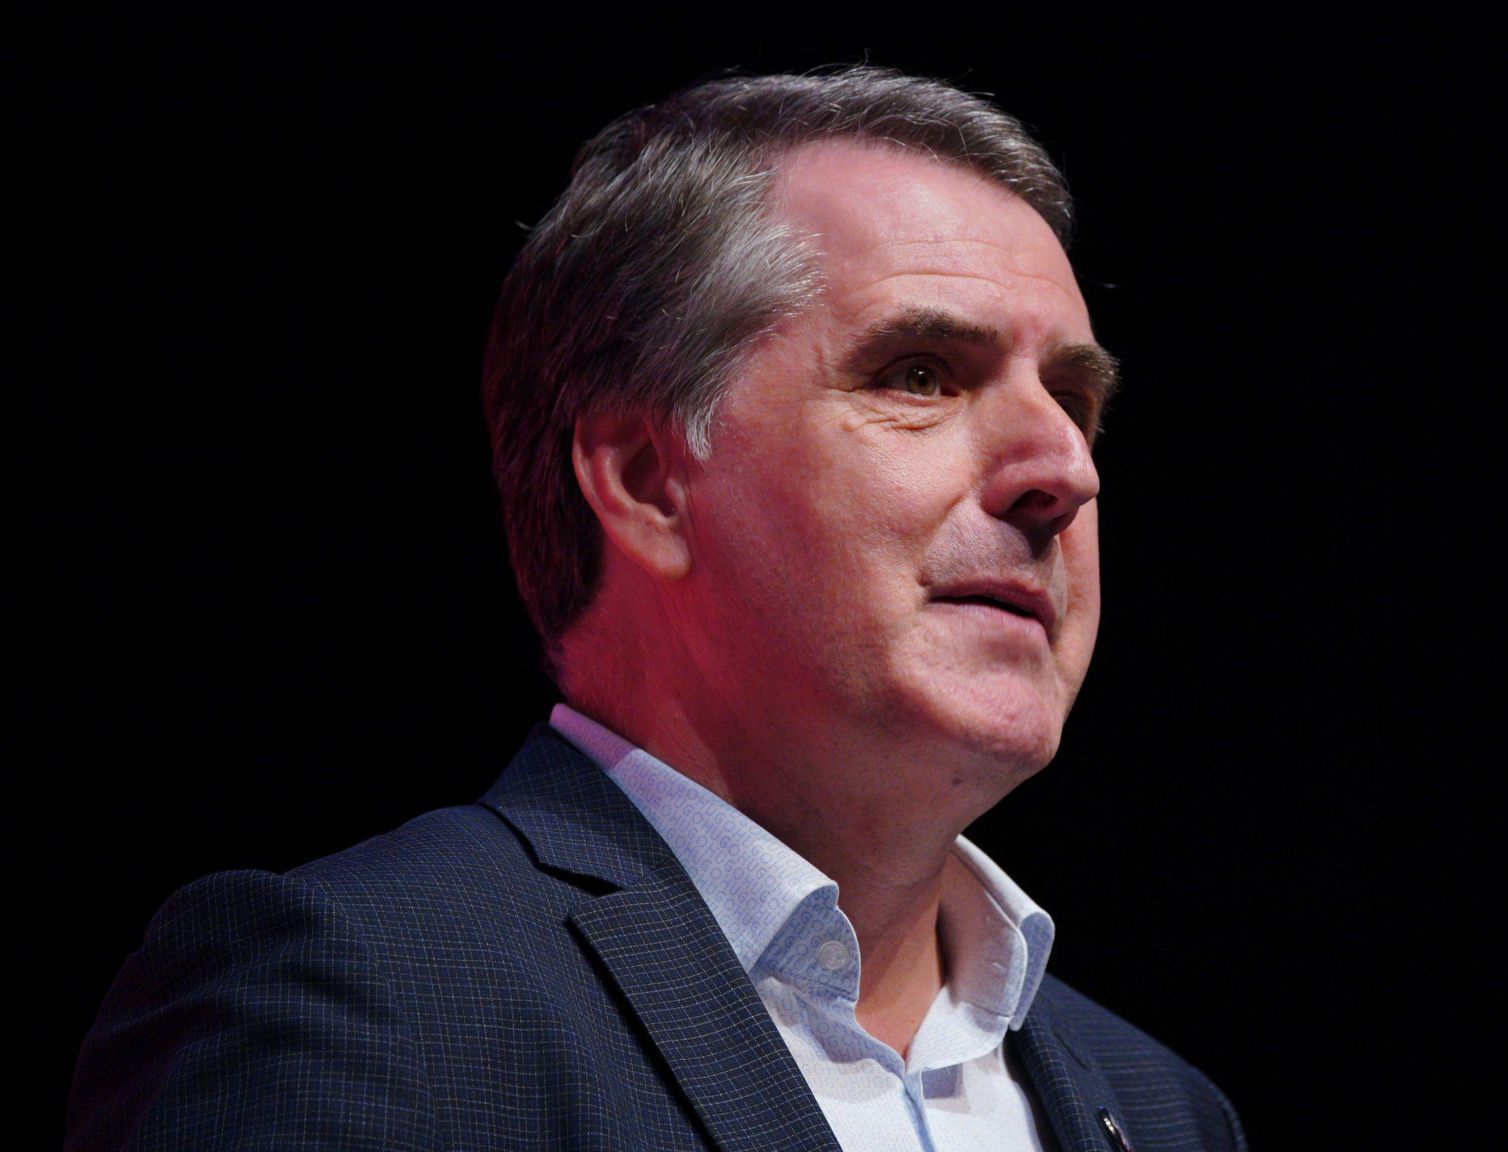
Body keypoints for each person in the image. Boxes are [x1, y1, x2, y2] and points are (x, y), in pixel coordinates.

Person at [67, 67, 1246, 1152]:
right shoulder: (367, 995)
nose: (1065, 472)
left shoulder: (1162, 1108)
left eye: (1075, 401)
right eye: (920, 375)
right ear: (642, 484)